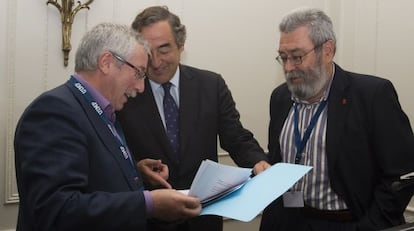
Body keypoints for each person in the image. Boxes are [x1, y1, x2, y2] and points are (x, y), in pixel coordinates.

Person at [14, 22, 201, 231]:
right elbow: (57, 209)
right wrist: (149, 204)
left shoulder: (102, 110)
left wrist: (134, 172)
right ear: (106, 62)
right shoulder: (53, 111)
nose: (141, 87)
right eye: (139, 73)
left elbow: (93, 179)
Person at [116, 6, 270, 231]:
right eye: (148, 52)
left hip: (203, 219)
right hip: (148, 221)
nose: (156, 62)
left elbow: (236, 138)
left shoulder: (211, 86)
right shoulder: (125, 93)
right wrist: (136, 169)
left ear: (181, 45)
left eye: (164, 49)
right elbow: (112, 154)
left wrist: (257, 161)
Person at [259, 7, 414, 231]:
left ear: (328, 50)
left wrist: (369, 226)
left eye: (297, 57)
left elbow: (401, 174)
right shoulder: (281, 97)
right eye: (283, 57)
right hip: (288, 220)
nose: (288, 67)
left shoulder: (372, 95)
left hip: (346, 223)